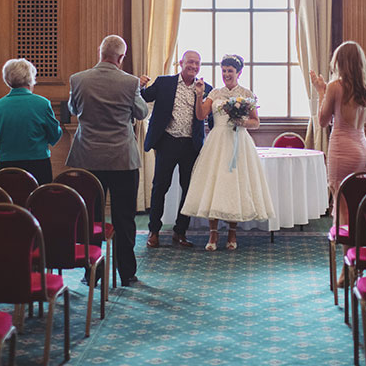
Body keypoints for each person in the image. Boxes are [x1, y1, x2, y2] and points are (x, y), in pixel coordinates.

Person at [66, 35, 148, 286]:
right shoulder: (130, 82)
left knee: (91, 217)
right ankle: (127, 273)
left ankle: (91, 271)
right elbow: (142, 112)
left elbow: (73, 109)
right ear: (121, 57)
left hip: (88, 157)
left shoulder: (78, 79)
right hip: (122, 158)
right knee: (124, 217)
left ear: (99, 52)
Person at [181, 54, 275, 252]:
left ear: (238, 73)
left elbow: (256, 122)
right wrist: (199, 95)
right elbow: (201, 115)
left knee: (235, 184)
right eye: (223, 71)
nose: (226, 74)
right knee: (214, 184)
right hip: (217, 141)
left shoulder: (246, 93)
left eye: (230, 71)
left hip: (239, 142)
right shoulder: (215, 93)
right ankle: (213, 233)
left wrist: (242, 122)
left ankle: (232, 233)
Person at [140, 50, 213, 249]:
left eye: (197, 63)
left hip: (191, 145)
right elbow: (145, 96)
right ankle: (154, 231)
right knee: (160, 187)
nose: (194, 66)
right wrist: (139, 85)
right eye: (190, 62)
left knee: (188, 189)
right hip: (167, 141)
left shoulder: (206, 89)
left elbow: (212, 118)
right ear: (181, 63)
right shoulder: (164, 82)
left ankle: (180, 232)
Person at [310, 41, 366, 226]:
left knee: (341, 203)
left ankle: (344, 243)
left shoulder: (335, 86)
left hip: (343, 150)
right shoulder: (365, 86)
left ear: (339, 62)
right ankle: (357, 240)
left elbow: (323, 121)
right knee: (356, 202)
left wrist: (321, 91)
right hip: (363, 149)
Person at [0, 58, 61, 184]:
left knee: (8, 196)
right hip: (38, 166)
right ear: (31, 79)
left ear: (7, 80)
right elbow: (55, 135)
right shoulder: (42, 104)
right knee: (38, 196)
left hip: (6, 166)